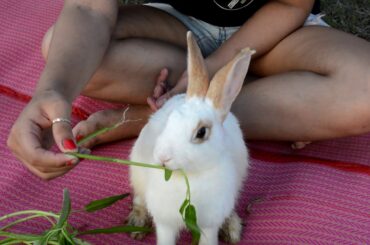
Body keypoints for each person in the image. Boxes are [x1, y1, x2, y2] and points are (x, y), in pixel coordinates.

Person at [7, 0, 370, 180]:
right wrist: (51, 90)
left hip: (277, 34)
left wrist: (214, 68)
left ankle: (147, 118)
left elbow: (290, 3)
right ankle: (283, 100)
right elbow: (89, 9)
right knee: (64, 49)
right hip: (175, 23)